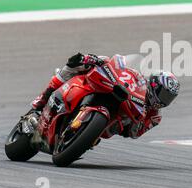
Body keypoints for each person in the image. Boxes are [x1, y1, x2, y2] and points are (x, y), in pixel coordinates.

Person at [30, 53, 180, 138]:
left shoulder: (155, 116)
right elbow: (118, 65)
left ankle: (81, 135)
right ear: (154, 85)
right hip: (108, 89)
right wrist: (98, 61)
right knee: (77, 65)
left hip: (112, 121)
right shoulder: (137, 78)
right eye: (164, 94)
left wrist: (134, 123)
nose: (164, 100)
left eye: (168, 98)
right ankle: (44, 98)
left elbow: (134, 134)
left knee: (117, 126)